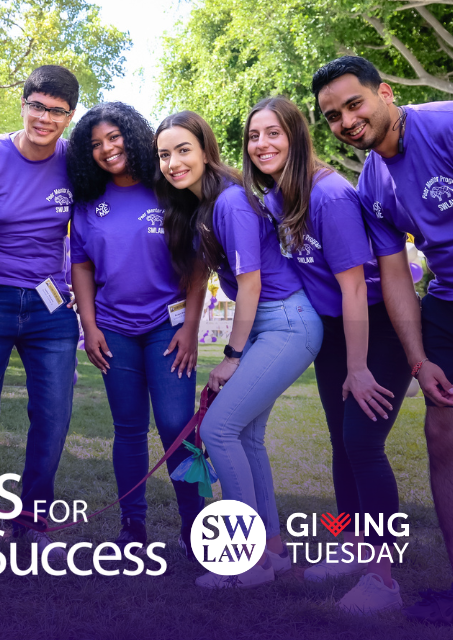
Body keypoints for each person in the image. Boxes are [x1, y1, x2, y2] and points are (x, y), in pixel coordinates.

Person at [244, 95, 411, 612]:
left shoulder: (330, 195)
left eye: (273, 133)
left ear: (296, 136)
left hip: (376, 326)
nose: (261, 144)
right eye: (253, 136)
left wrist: (359, 367)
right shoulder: (277, 198)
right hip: (333, 331)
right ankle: (350, 544)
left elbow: (357, 288)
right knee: (341, 441)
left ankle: (383, 577)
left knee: (362, 442)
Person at [155, 111, 323, 588]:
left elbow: (250, 284)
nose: (172, 162)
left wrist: (232, 356)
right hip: (272, 324)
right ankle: (272, 550)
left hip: (286, 322)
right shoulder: (203, 207)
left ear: (206, 149)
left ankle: (244, 561)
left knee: (219, 428)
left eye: (183, 149)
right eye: (164, 155)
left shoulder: (229, 202)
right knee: (245, 436)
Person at [312, 56, 453, 623]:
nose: (347, 120)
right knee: (440, 435)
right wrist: (418, 361)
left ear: (386, 93)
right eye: (333, 116)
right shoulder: (370, 180)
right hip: (444, 298)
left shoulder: (443, 125)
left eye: (354, 104)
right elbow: (395, 274)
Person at [0, 65, 80, 557]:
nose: (45, 118)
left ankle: (33, 514)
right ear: (23, 104)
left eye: (57, 111)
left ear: (70, 116)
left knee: (54, 412)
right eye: (37, 106)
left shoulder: (75, 160)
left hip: (50, 306)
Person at [66, 102, 205, 552]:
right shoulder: (88, 203)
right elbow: (82, 267)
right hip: (114, 330)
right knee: (127, 428)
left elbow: (198, 266)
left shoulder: (169, 187)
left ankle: (196, 525)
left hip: (167, 328)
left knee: (176, 424)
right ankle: (133, 525)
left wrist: (190, 325)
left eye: (114, 137)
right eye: (96, 144)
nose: (107, 149)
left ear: (132, 134)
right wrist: (89, 325)